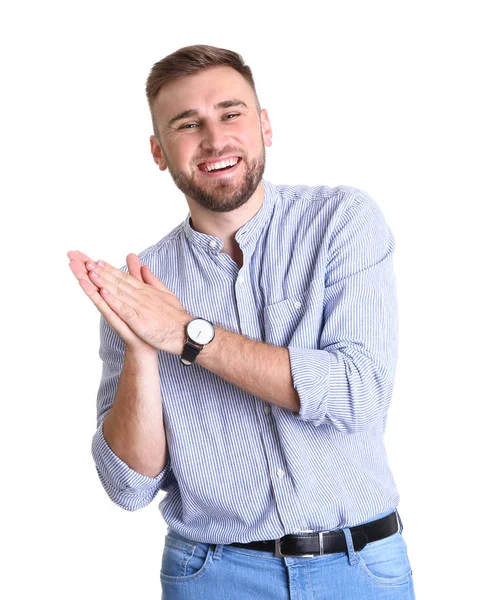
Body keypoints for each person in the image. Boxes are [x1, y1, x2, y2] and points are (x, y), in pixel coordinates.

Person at [68, 44, 415, 599]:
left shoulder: (343, 223)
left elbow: (358, 393)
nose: (214, 139)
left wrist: (186, 335)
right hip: (214, 577)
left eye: (231, 113)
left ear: (265, 126)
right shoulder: (141, 292)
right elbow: (129, 486)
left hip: (359, 570)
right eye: (188, 124)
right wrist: (142, 350)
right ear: (159, 152)